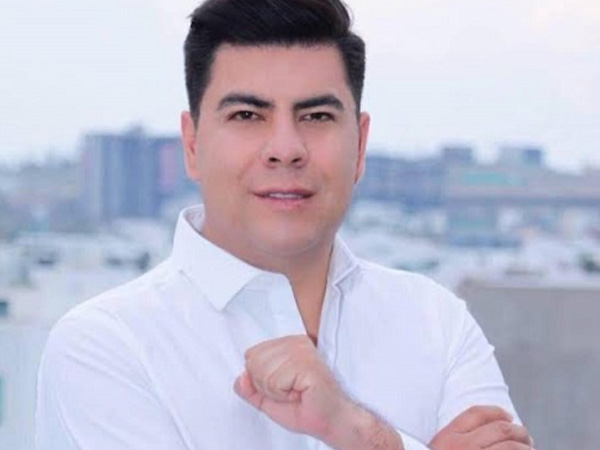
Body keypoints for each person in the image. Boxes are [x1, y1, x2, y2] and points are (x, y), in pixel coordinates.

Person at [36, 1, 534, 449]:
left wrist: (357, 430)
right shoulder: (107, 346)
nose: (286, 149)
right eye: (247, 115)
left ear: (360, 145)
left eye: (315, 116)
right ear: (192, 144)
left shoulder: (435, 321)